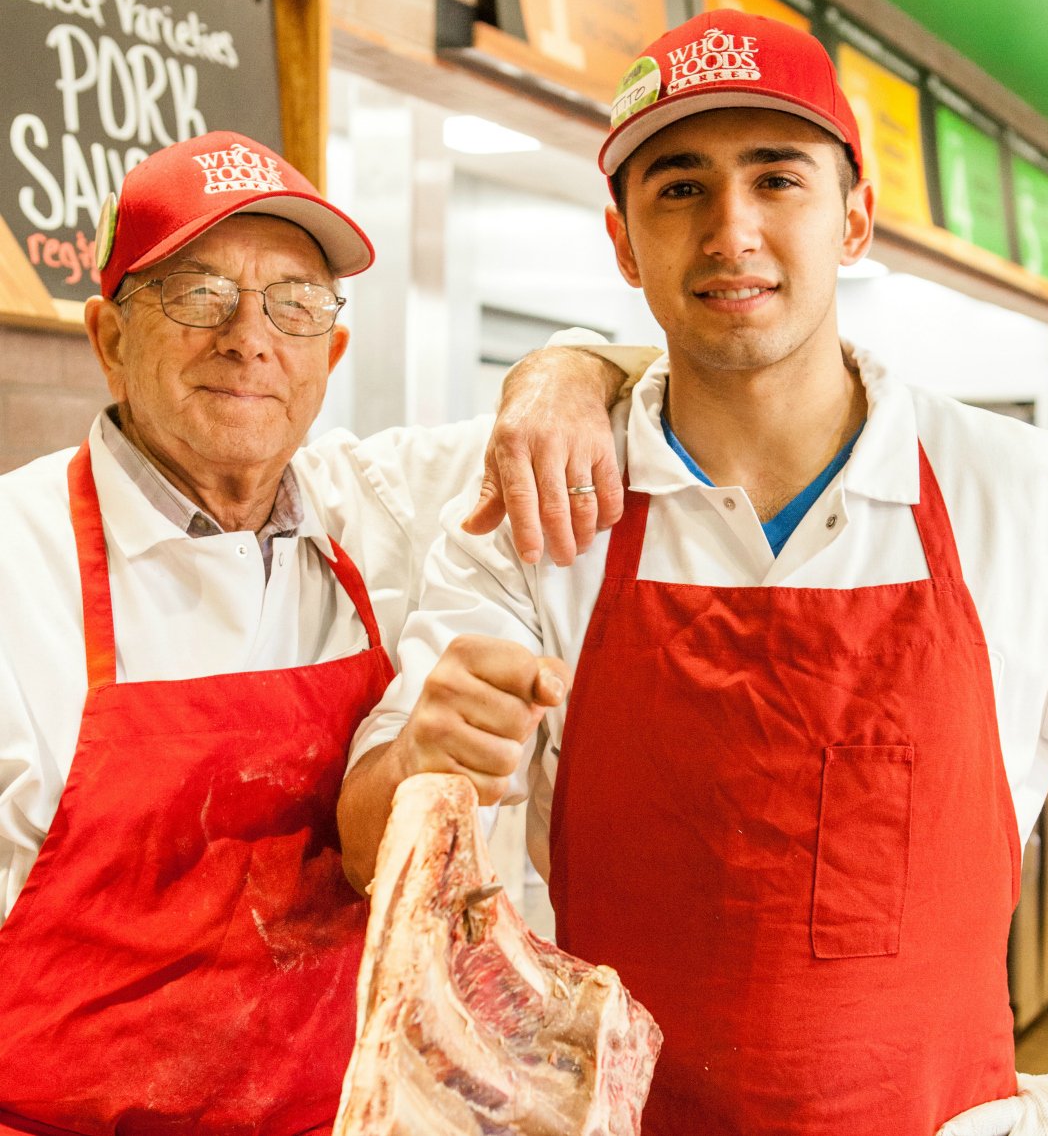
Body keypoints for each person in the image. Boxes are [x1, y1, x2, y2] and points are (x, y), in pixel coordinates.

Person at [340, 11, 1048, 1136]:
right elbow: (369, 844)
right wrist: (417, 757)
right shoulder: (538, 514)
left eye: (777, 178)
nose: (730, 231)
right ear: (622, 241)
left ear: (854, 219)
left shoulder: (1030, 503)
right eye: (680, 187)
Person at [0, 130, 648, 1135]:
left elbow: (660, 389)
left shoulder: (377, 506)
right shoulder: (14, 558)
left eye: (294, 302)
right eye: (197, 292)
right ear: (108, 338)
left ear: (333, 353)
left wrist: (562, 372)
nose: (249, 337)